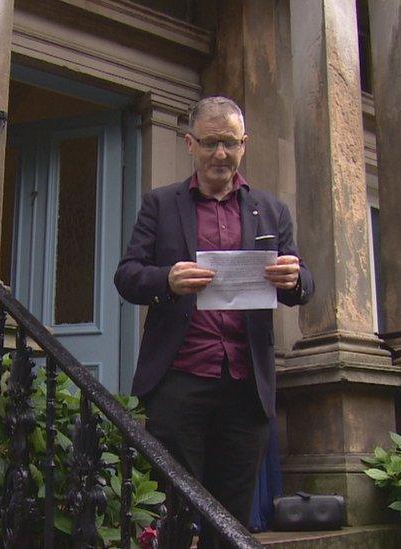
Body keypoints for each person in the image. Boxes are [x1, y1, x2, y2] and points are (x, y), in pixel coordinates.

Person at [114, 96, 314, 547]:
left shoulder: (271, 210)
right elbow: (127, 277)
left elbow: (304, 283)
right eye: (210, 143)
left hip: (247, 386)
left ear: (244, 144)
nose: (220, 154)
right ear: (190, 143)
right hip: (180, 379)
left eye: (229, 143)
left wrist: (293, 278)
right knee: (175, 512)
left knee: (232, 518)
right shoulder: (161, 205)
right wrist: (167, 278)